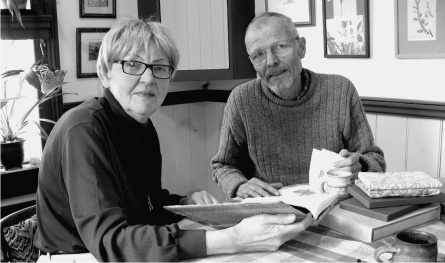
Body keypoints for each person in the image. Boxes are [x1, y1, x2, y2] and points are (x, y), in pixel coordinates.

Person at [34, 17, 314, 262]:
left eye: (160, 68)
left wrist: (186, 201)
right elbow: (112, 241)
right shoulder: (83, 129)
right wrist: (232, 239)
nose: (148, 79)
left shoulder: (143, 126)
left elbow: (149, 203)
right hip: (80, 257)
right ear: (105, 74)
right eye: (133, 65)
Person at [211, 12, 386, 199]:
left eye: (280, 47)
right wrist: (240, 185)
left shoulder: (340, 91)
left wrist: (360, 164)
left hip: (334, 208)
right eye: (258, 55)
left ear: (301, 47)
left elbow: (375, 161)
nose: (271, 61)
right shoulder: (241, 100)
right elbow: (223, 166)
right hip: (269, 212)